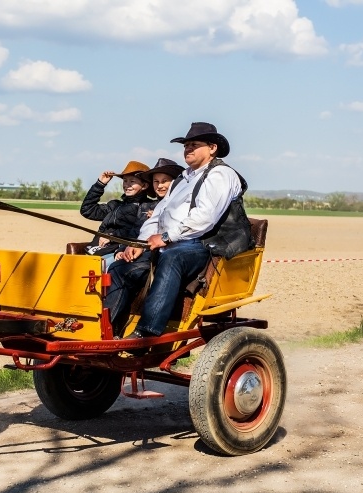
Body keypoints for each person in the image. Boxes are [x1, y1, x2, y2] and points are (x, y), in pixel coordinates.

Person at [105, 122, 255, 339]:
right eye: (185, 146)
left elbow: (205, 218)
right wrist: (141, 243)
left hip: (205, 245)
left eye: (194, 145)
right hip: (170, 243)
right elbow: (158, 215)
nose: (187, 149)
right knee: (120, 267)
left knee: (173, 257)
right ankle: (107, 333)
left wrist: (166, 237)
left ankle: (146, 333)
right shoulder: (182, 179)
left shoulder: (221, 174)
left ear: (212, 148)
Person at [79, 160, 151, 270]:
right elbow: (87, 210)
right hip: (96, 250)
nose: (127, 185)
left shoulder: (147, 207)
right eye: (125, 181)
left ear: (144, 185)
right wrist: (100, 184)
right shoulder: (115, 205)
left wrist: (111, 236)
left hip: (118, 252)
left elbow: (138, 231)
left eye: (132, 181)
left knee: (93, 269)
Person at [116, 157, 184, 262]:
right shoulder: (149, 206)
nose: (160, 186)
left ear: (175, 182)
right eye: (156, 181)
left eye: (164, 181)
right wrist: (123, 249)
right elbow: (136, 233)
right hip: (143, 250)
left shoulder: (183, 202)